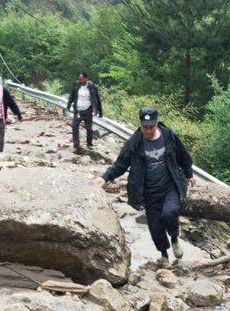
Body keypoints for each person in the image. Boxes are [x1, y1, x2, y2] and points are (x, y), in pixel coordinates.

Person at [96, 107, 196, 264]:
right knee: (155, 227)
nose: (148, 130)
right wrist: (105, 178)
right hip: (149, 192)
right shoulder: (135, 141)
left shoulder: (168, 135)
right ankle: (164, 255)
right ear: (141, 125)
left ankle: (175, 238)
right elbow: (121, 163)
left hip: (169, 186)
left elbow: (183, 154)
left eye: (151, 127)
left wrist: (189, 174)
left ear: (156, 123)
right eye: (145, 127)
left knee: (169, 213)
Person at [67, 71, 103, 152]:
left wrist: (98, 111)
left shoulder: (92, 86)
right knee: (74, 126)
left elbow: (97, 99)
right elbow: (72, 96)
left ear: (86, 78)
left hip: (88, 110)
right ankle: (76, 145)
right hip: (78, 110)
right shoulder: (76, 85)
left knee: (89, 129)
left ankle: (89, 144)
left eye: (82, 79)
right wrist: (69, 105)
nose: (80, 81)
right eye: (79, 79)